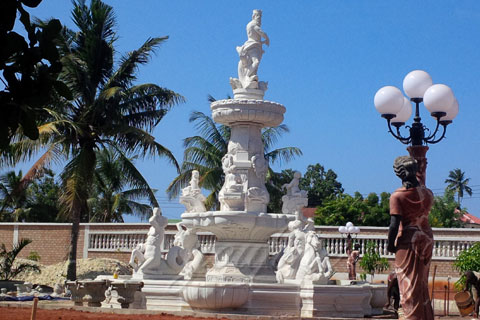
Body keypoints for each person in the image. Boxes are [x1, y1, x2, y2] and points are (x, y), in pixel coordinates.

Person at [387, 155, 434, 320]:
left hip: (408, 240)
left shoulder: (397, 196)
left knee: (408, 288)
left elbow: (394, 224)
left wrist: (390, 245)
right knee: (421, 285)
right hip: (426, 237)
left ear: (399, 173)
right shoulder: (428, 193)